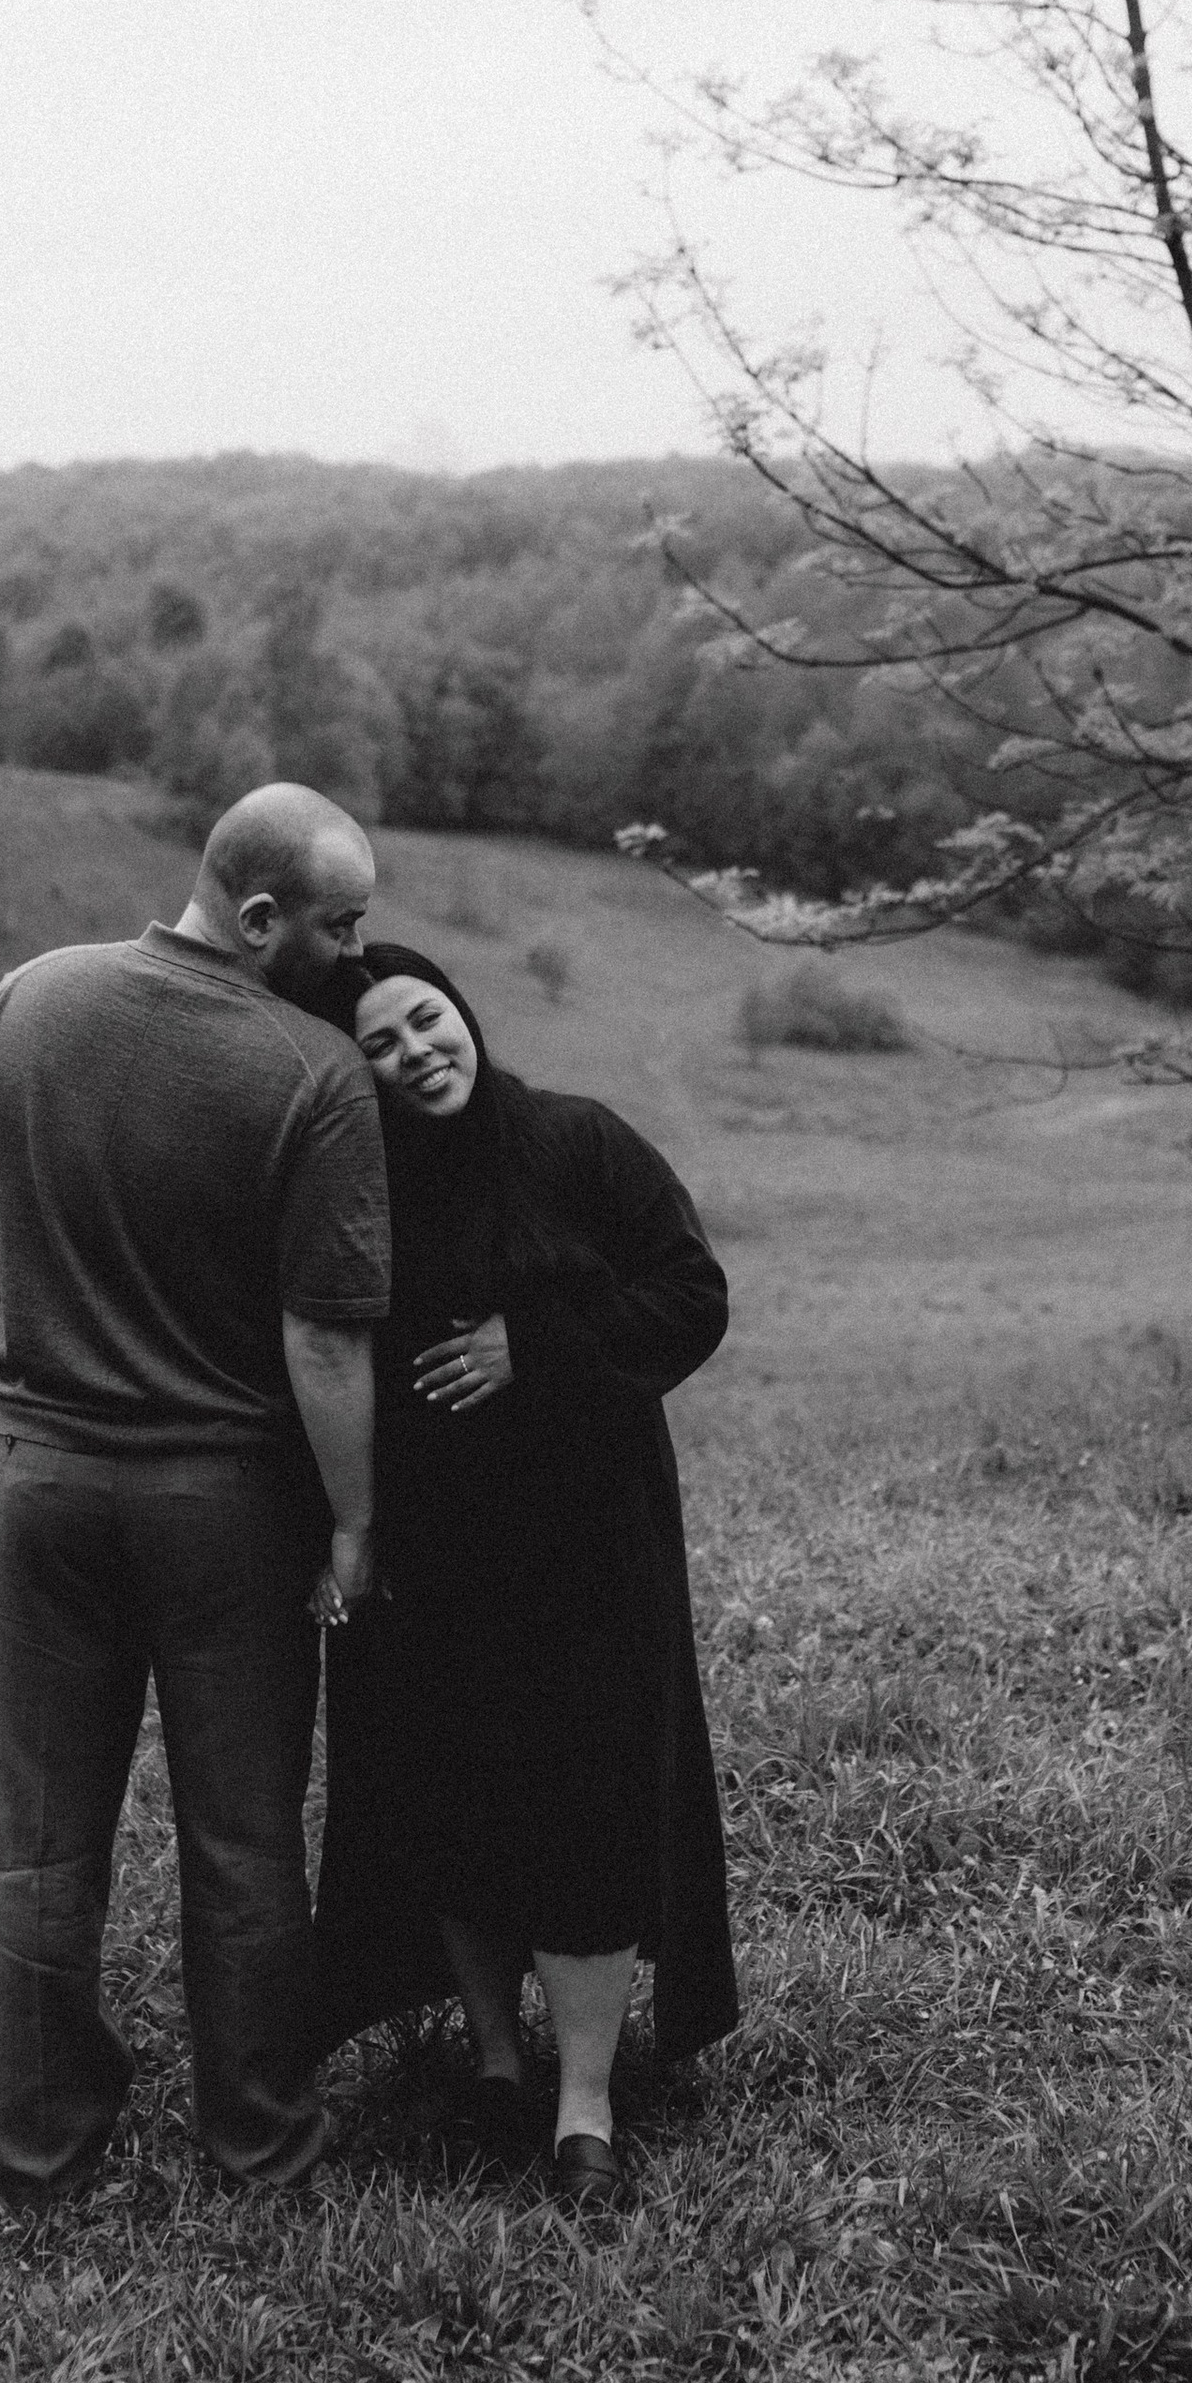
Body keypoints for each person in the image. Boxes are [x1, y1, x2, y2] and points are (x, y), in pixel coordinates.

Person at [0, 781, 387, 2210]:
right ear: (256, 917)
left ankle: (36, 2149)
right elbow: (323, 1341)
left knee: (41, 1844)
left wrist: (6, 1362)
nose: (357, 953)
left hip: (43, 1490)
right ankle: (260, 2145)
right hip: (225, 1510)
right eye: (337, 925)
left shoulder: (29, 999)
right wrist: (354, 1521)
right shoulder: (316, 1074)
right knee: (243, 1842)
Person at [312, 940, 736, 2212]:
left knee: (585, 1809)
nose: (414, 1054)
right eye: (379, 1046)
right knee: (451, 1795)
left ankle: (583, 2108)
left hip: (588, 1549)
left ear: (462, 1010)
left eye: (425, 1021)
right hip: (434, 1551)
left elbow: (692, 1295)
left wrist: (534, 1345)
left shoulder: (577, 1143)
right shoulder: (359, 1184)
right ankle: (497, 2066)